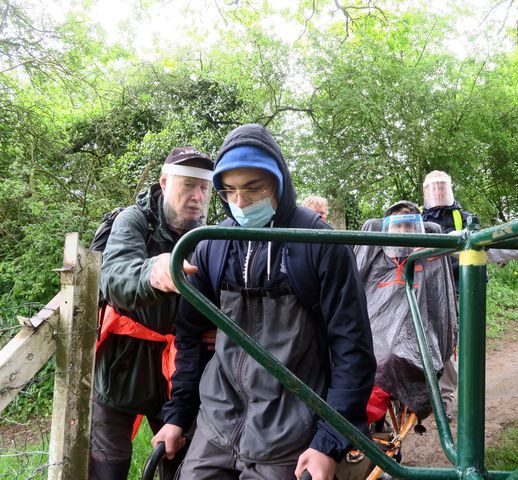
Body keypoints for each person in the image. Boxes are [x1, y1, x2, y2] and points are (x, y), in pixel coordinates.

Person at [153, 123, 376, 480]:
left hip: (289, 435)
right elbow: (189, 336)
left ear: (279, 182)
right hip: (215, 428)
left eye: (254, 188)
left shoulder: (319, 245)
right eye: (229, 191)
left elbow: (354, 350)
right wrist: (178, 416)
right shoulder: (212, 245)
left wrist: (329, 441)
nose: (241, 203)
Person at [89, 147, 215, 480]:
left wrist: (224, 328)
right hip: (121, 366)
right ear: (164, 182)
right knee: (107, 465)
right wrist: (153, 272)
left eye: (204, 187)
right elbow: (115, 276)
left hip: (181, 371)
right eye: (188, 185)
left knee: (181, 463)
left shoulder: (208, 238)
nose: (197, 196)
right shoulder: (134, 220)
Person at [355, 201, 458, 422]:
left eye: (408, 228)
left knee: (394, 357)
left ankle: (365, 418)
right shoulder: (375, 257)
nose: (402, 233)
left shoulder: (430, 255)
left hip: (416, 327)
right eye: (397, 227)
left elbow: (439, 302)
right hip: (376, 325)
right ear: (386, 229)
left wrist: (429, 254)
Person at [420, 171, 471, 420]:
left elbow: (473, 244)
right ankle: (420, 393)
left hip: (456, 288)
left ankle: (446, 398)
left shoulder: (463, 218)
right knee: (420, 338)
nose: (438, 192)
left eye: (442, 187)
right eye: (434, 187)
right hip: (425, 289)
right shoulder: (417, 217)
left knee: (449, 344)